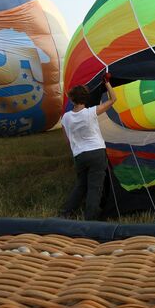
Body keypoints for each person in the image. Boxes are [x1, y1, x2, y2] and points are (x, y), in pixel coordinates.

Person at [59, 74, 117, 220]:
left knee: (81, 185)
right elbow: (113, 99)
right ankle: (90, 220)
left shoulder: (65, 118)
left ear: (72, 99)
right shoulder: (91, 112)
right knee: (94, 188)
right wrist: (107, 83)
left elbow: (67, 141)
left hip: (79, 155)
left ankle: (65, 213)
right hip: (96, 153)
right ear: (86, 99)